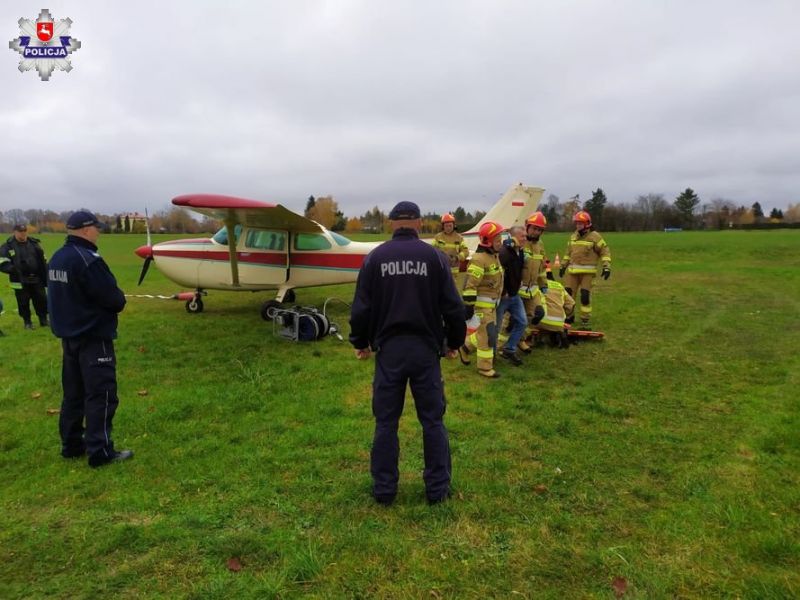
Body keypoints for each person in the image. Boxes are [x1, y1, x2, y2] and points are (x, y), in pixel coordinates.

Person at [350, 201, 466, 505]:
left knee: (386, 422)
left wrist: (359, 342)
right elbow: (454, 308)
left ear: (391, 224)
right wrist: (454, 343)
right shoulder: (435, 257)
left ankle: (385, 491)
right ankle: (437, 490)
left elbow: (361, 308)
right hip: (426, 351)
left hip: (389, 352)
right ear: (418, 223)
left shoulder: (374, 259)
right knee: (432, 421)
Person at [47, 211, 133, 468]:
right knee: (101, 394)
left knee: (74, 394)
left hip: (69, 338)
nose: (99, 232)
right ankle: (100, 451)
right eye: (96, 228)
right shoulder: (88, 260)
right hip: (94, 338)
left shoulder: (57, 258)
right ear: (86, 230)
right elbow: (115, 300)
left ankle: (72, 444)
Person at [461, 221, 505, 378]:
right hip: (481, 306)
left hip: (492, 305)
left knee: (486, 334)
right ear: (488, 241)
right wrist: (468, 306)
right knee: (487, 335)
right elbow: (470, 285)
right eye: (497, 240)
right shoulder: (479, 259)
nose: (500, 243)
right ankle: (484, 368)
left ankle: (465, 347)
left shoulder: (493, 256)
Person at [559, 210, 611, 330]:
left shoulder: (595, 237)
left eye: (580, 223)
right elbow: (568, 253)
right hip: (572, 273)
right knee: (568, 295)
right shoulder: (573, 236)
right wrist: (563, 266)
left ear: (587, 224)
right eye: (577, 223)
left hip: (587, 274)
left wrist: (606, 266)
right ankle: (569, 316)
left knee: (585, 296)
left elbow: (604, 251)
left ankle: (585, 320)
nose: (578, 226)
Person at [0, 224, 49, 329]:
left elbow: (43, 259)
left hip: (37, 278)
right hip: (19, 279)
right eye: (20, 231)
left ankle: (43, 320)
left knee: (41, 299)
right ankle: (27, 322)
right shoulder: (7, 246)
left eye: (24, 231)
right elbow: (2, 263)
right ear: (15, 232)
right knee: (23, 302)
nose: (23, 233)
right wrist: (14, 270)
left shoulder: (34, 243)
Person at [495, 226, 527, 366]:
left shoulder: (520, 251)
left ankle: (509, 348)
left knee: (522, 321)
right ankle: (482, 352)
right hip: (503, 298)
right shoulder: (504, 253)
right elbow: (497, 275)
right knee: (494, 328)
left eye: (525, 236)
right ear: (513, 237)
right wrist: (503, 292)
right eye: (522, 236)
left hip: (515, 296)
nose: (525, 239)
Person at [518, 211, 549, 352]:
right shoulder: (519, 242)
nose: (536, 232)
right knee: (511, 321)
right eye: (534, 228)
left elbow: (542, 268)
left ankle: (521, 339)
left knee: (537, 315)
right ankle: (503, 347)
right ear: (527, 227)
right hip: (517, 289)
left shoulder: (540, 246)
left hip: (532, 290)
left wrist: (543, 284)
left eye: (539, 230)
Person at [531, 280, 575, 348]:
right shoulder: (559, 286)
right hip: (560, 322)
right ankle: (559, 335)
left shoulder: (536, 284)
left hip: (542, 320)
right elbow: (571, 303)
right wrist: (566, 315)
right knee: (555, 325)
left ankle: (542, 338)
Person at [432, 213, 469, 289]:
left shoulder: (459, 238)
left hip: (454, 270)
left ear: (454, 225)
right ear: (443, 226)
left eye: (450, 226)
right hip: (440, 268)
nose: (448, 228)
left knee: (452, 290)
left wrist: (457, 257)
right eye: (446, 226)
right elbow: (432, 250)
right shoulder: (438, 237)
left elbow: (466, 251)